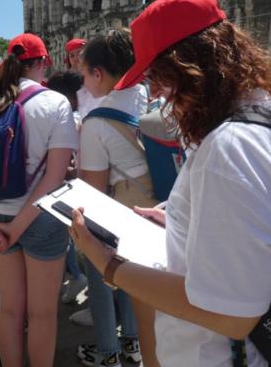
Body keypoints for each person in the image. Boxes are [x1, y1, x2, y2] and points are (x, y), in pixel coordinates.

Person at [69, 0, 271, 366]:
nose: (154, 91)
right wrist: (176, 219)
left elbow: (233, 315)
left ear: (194, 62)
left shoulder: (228, 148)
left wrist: (108, 263)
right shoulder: (262, 113)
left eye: (158, 75)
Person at [0, 33, 78, 367]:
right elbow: (55, 177)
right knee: (42, 314)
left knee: (10, 309)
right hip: (41, 219)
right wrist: (18, 227)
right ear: (41, 63)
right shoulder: (55, 103)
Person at [76, 29, 158, 367]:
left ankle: (112, 351)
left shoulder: (97, 121)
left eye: (84, 75)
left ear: (98, 73)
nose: (84, 84)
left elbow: (93, 191)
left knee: (116, 282)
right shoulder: (155, 98)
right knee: (150, 296)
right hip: (164, 209)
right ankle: (134, 343)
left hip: (126, 215)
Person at [46, 70, 89, 304]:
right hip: (77, 183)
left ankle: (75, 274)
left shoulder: (69, 118)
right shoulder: (83, 114)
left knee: (68, 234)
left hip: (70, 186)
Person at [65, 38, 103, 119]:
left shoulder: (97, 79)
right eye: (72, 56)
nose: (76, 59)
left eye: (79, 54)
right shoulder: (66, 82)